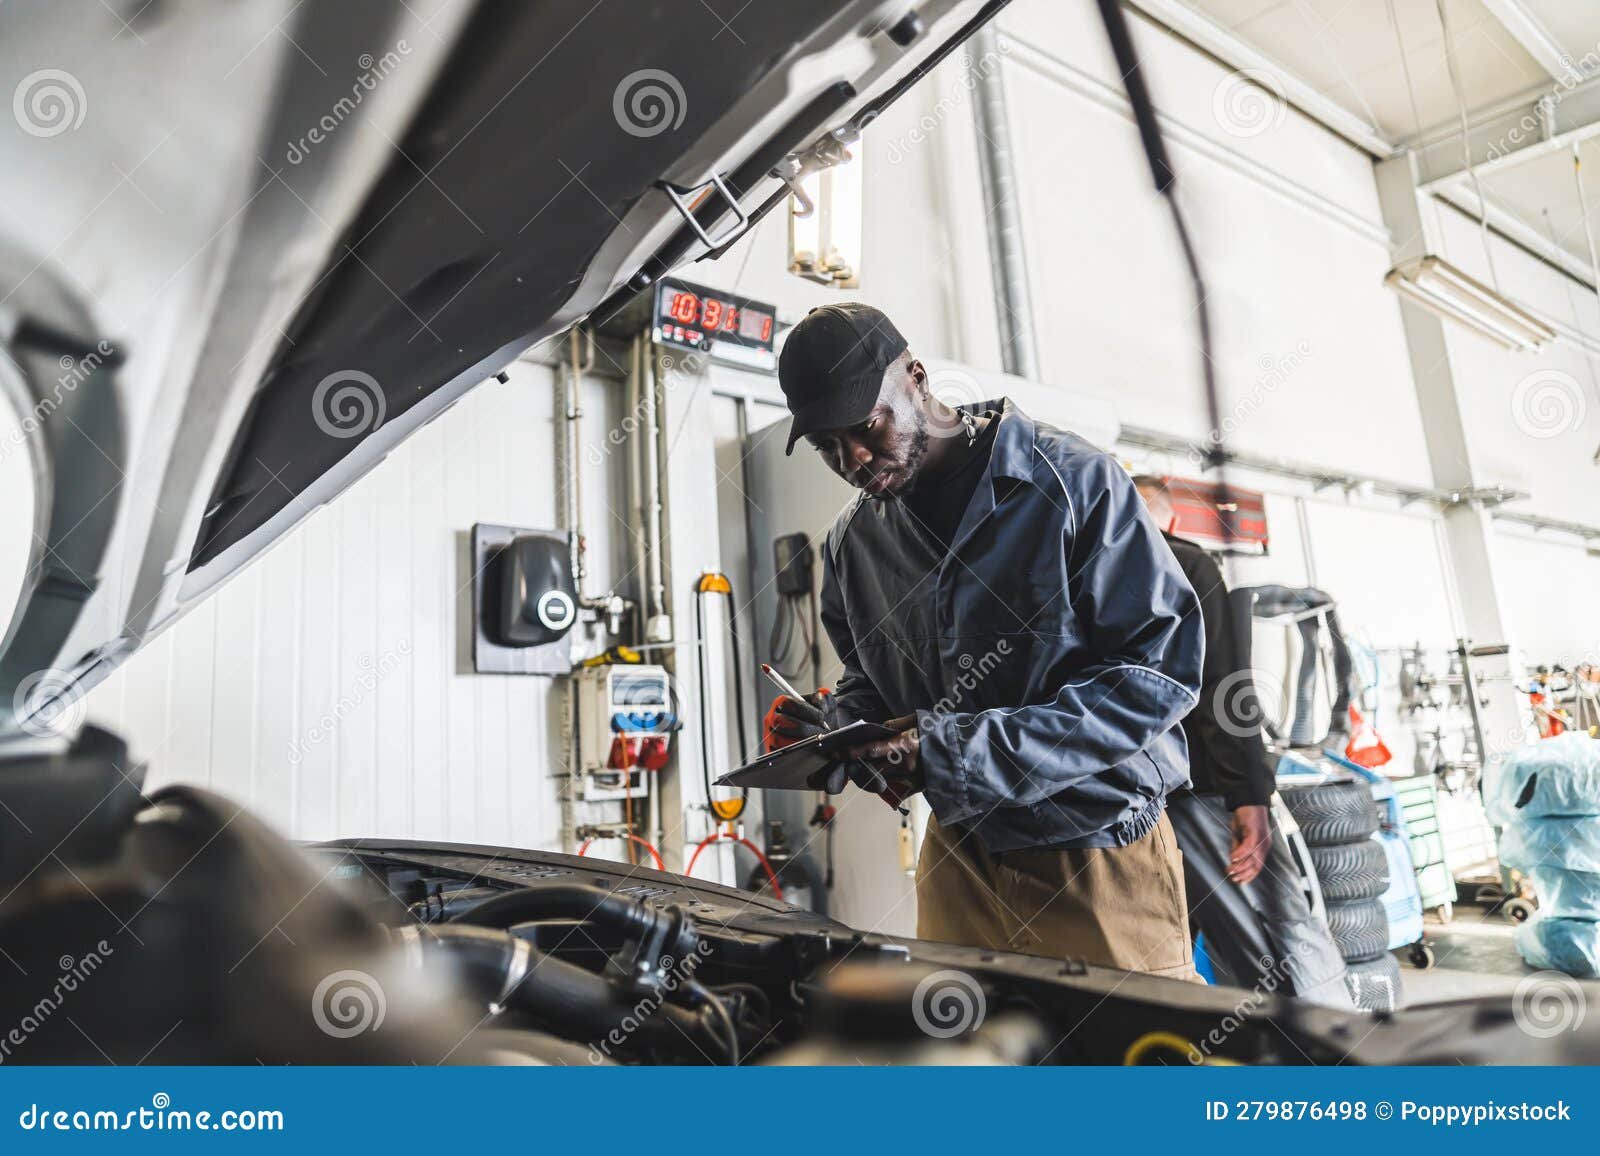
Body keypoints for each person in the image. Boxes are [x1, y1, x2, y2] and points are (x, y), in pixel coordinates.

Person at [765, 303, 1204, 979]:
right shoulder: (854, 544)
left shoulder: (1071, 485)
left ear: (915, 379)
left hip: (1093, 852)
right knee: (971, 1067)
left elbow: (1156, 676)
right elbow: (872, 680)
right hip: (958, 858)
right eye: (827, 446)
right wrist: (837, 730)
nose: (852, 459)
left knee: (1129, 1070)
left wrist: (950, 751)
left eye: (865, 425)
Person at [1133, 475, 1352, 1005]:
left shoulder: (1082, 571)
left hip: (1131, 799)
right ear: (1175, 521)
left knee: (1168, 940)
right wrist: (1248, 793)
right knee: (1275, 934)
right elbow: (1224, 687)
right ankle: (1331, 1059)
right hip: (1203, 790)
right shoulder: (1187, 563)